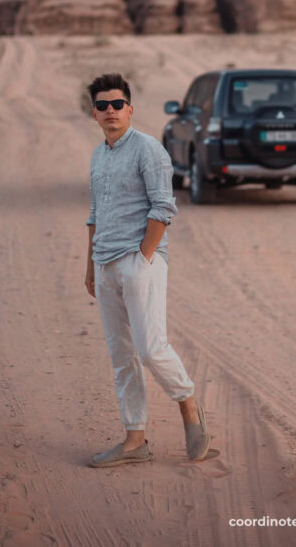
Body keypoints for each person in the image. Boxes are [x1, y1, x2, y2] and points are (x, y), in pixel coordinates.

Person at [84, 72, 210, 467]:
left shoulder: (148, 149)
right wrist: (90, 266)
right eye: (103, 105)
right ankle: (134, 439)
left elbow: (163, 207)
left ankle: (187, 403)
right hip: (104, 265)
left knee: (150, 348)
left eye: (117, 104)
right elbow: (94, 214)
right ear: (95, 113)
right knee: (121, 355)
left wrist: (145, 256)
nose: (110, 111)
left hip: (140, 263)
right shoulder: (99, 154)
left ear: (130, 109)